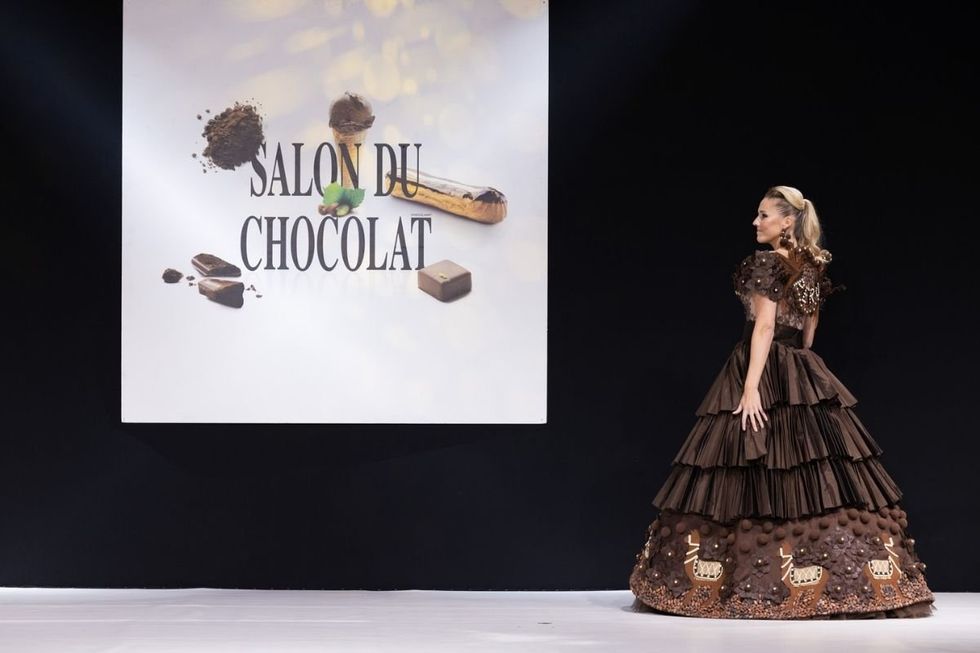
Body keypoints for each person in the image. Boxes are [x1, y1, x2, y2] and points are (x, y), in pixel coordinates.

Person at [628, 186, 935, 619]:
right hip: (802, 368)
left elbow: (765, 327)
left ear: (786, 221)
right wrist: (799, 369)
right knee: (815, 470)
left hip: (764, 365)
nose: (756, 223)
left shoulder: (768, 262)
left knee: (746, 465)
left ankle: (748, 583)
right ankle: (846, 582)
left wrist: (751, 386)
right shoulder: (809, 263)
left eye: (764, 215)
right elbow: (809, 333)